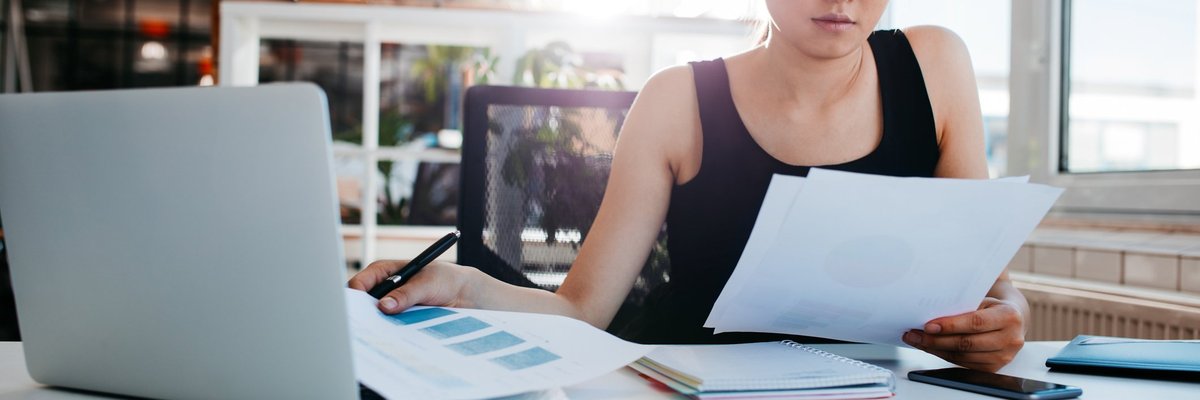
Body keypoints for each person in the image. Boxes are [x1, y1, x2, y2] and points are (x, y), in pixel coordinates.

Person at [350, 0, 1028, 373]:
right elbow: (583, 310)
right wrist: (466, 286)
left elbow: (984, 281)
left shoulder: (935, 63)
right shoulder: (677, 101)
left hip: (889, 388)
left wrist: (1008, 317)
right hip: (703, 388)